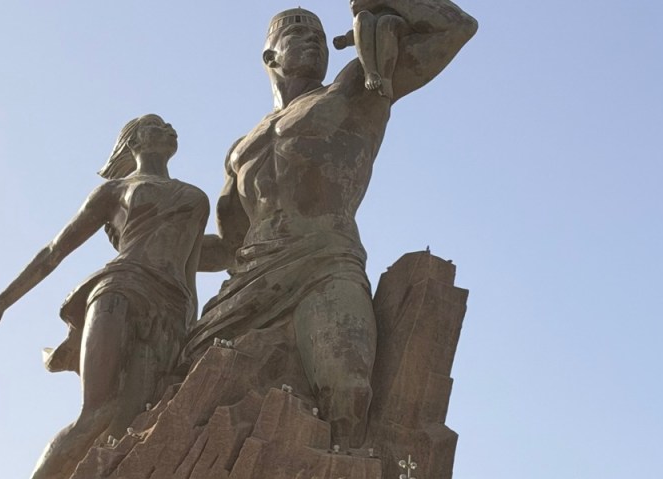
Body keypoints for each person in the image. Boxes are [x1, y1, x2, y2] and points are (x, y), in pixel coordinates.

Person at [183, 2, 477, 449]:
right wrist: (151, 251)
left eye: (320, 38)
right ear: (270, 56)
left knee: (348, 389)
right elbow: (227, 245)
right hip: (250, 278)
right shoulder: (240, 150)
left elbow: (456, 28)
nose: (315, 43)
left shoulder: (357, 86)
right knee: (185, 386)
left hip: (326, 261)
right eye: (300, 35)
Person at [0, 115, 209, 479]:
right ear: (133, 142)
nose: (169, 128)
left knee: (133, 423)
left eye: (170, 124)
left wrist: (190, 328)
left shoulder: (196, 197)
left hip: (170, 310)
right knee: (98, 412)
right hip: (119, 290)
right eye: (156, 125)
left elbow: (189, 270)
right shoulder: (114, 192)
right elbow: (53, 251)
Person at [333, 2, 406, 99]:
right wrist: (347, 39)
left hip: (403, 24)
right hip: (380, 18)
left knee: (386, 23)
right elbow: (363, 27)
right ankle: (370, 73)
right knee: (363, 17)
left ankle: (385, 79)